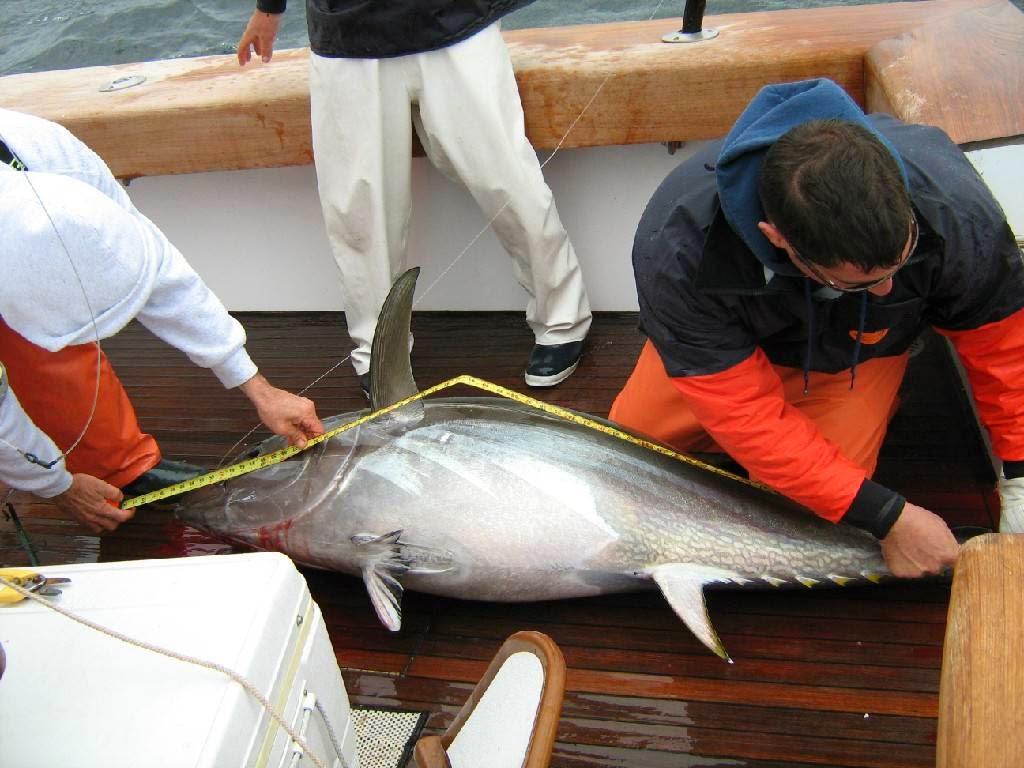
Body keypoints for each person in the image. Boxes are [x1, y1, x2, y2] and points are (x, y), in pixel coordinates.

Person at [608, 78, 1024, 578]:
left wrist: (1020, 476)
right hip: (727, 361)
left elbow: (1005, 354)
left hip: (858, 353)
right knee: (627, 457)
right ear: (776, 238)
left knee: (815, 513)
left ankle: (877, 398)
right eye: (857, 282)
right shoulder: (677, 244)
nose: (888, 292)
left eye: (901, 262)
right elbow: (740, 410)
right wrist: (892, 518)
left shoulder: (956, 208)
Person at [236, 0, 592, 390]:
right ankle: (379, 351)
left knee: (506, 180)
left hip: (456, 23)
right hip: (347, 37)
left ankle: (563, 320)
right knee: (359, 212)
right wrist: (269, 9)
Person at [0, 107, 325, 534]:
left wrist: (258, 387)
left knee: (59, 368)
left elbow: (165, 275)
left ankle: (119, 471)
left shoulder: (57, 158)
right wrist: (55, 485)